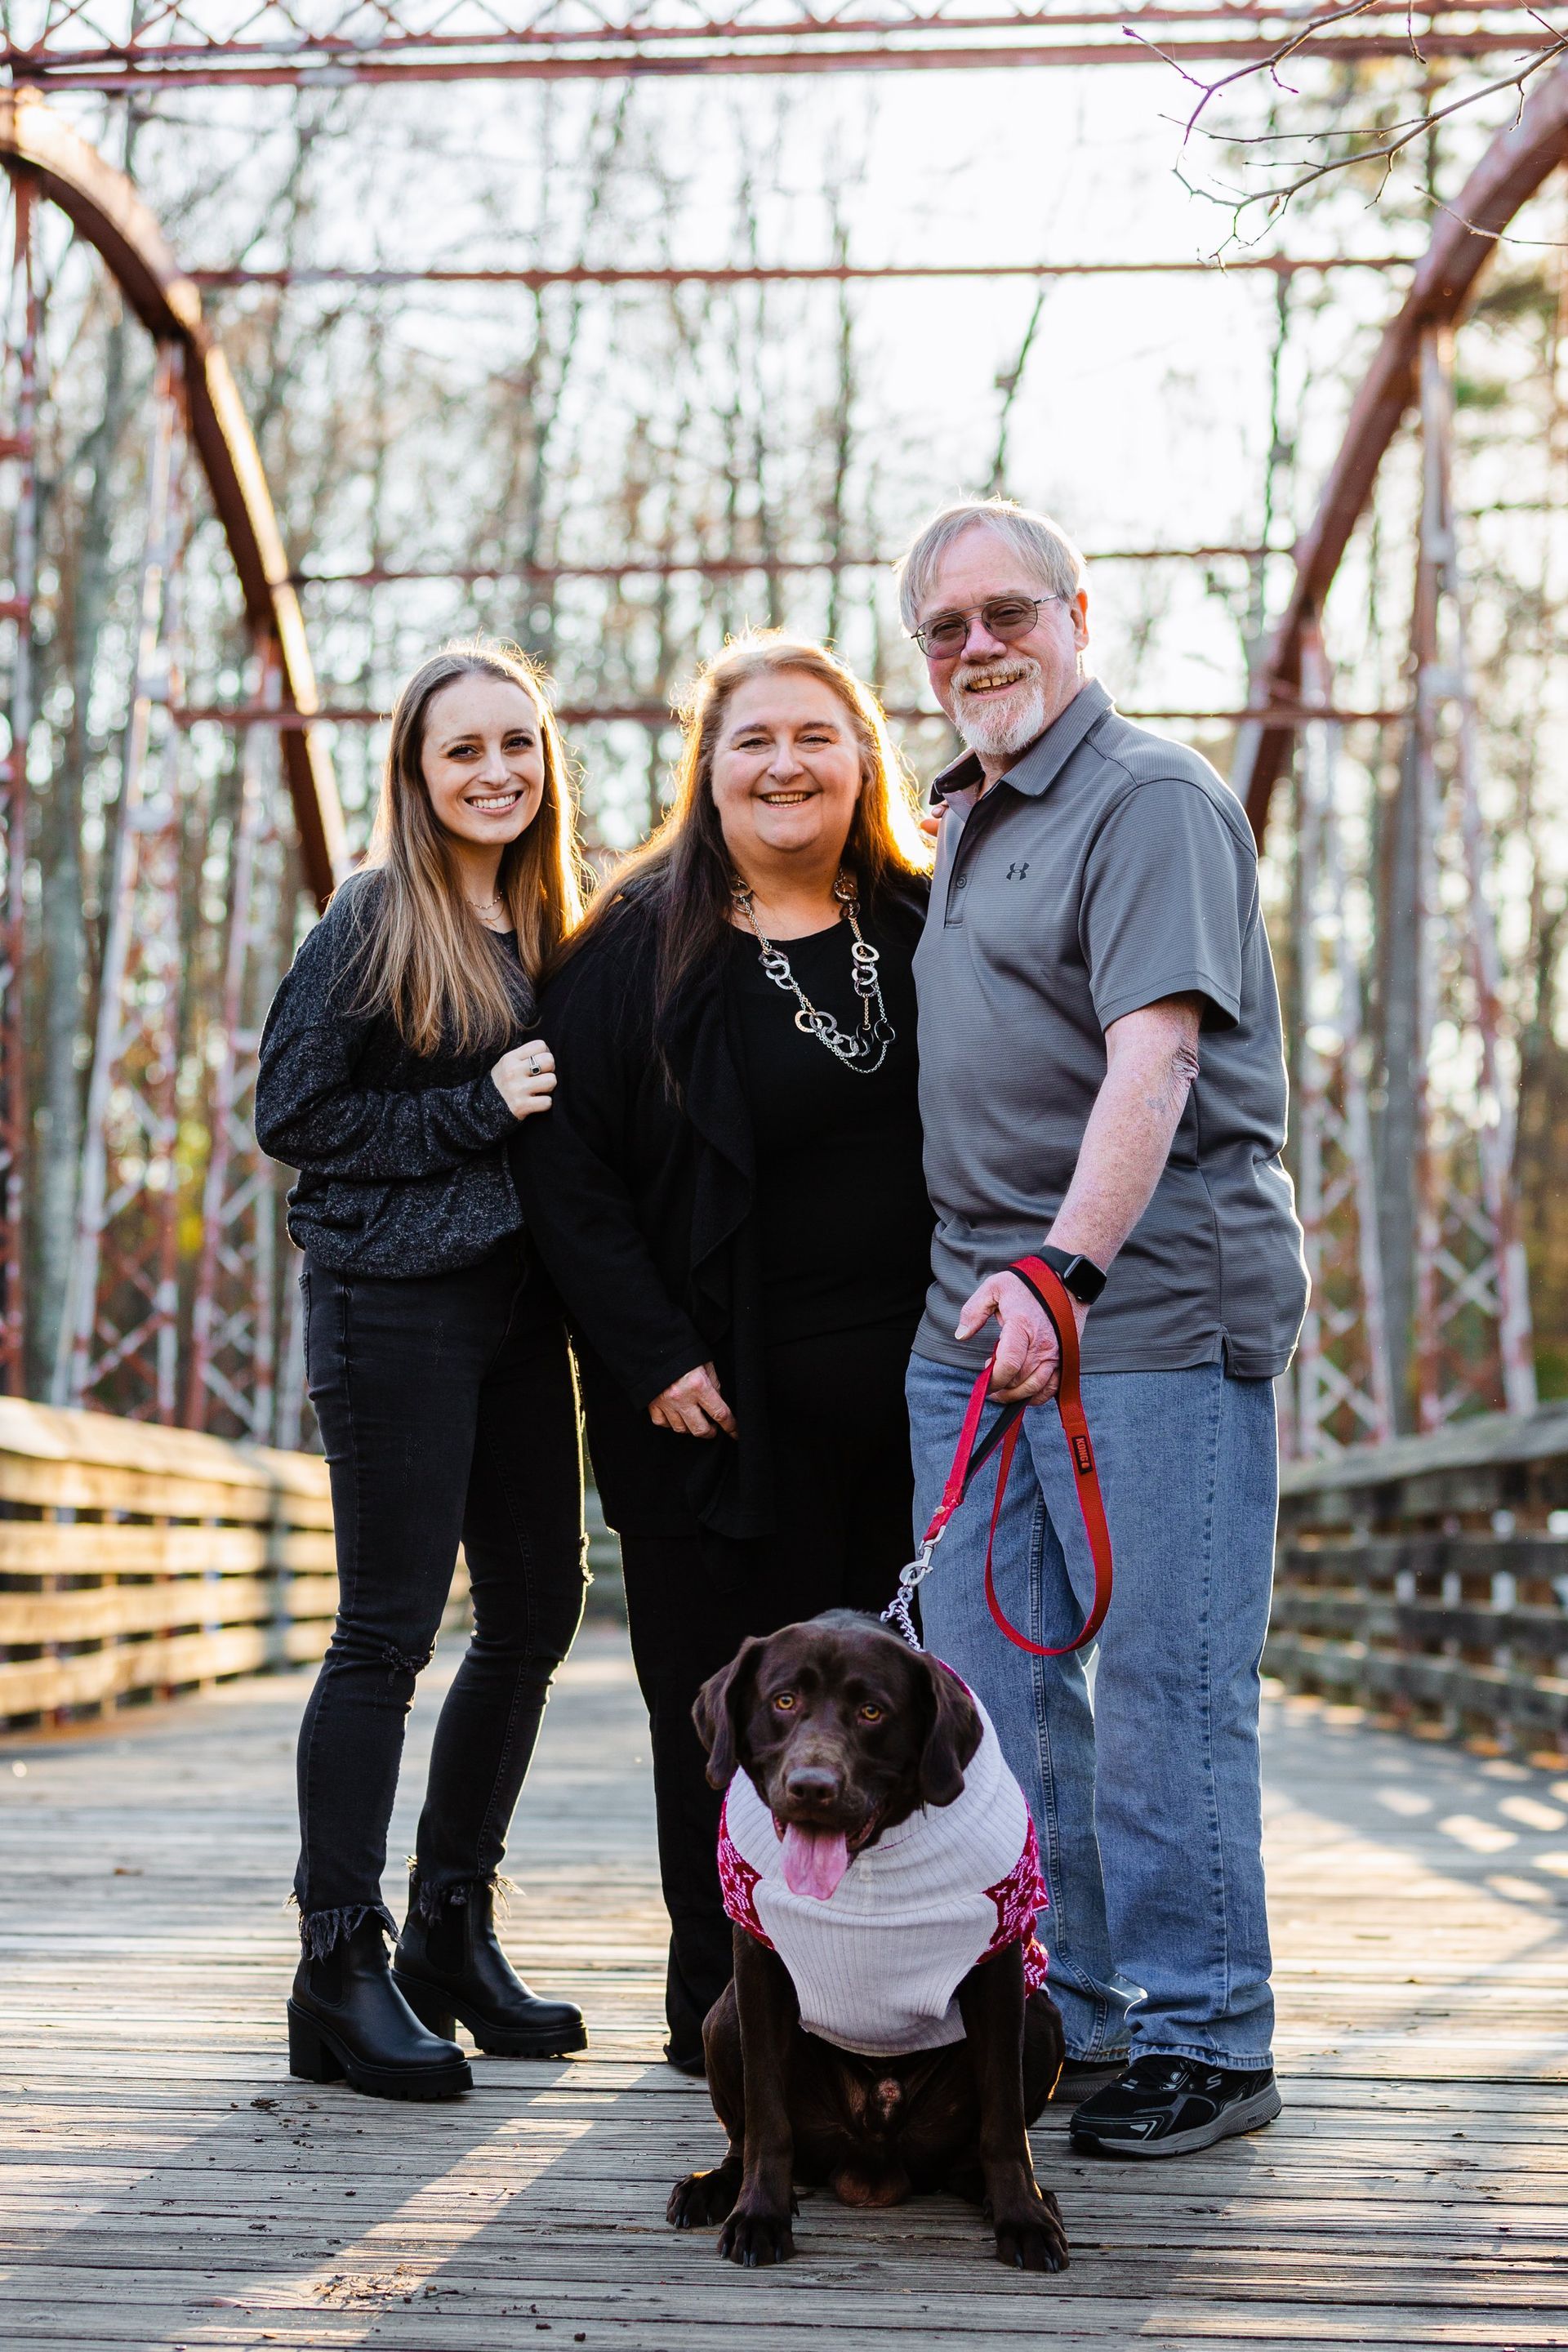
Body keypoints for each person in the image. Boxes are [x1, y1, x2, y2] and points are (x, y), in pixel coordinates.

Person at [898, 498, 1309, 2159]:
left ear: (1081, 614)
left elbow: (1158, 1064)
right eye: (945, 629)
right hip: (973, 1330)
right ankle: (1076, 2010)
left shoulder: (1147, 799)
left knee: (1161, 1692)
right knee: (996, 1706)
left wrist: (1063, 1271)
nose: (979, 646)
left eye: (1009, 613)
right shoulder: (972, 818)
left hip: (1136, 1316)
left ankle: (1212, 2039)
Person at [517, 635, 933, 2073]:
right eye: (753, 739)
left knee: (899, 1728)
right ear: (708, 767)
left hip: (914, 1420)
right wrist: (647, 1354)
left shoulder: (929, 926)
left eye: (817, 735)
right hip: (698, 1417)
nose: (785, 764)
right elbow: (562, 1170)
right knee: (719, 1728)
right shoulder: (638, 943)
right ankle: (729, 2020)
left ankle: (896, 2010)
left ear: (864, 758)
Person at [256, 641, 592, 2102]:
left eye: (518, 744)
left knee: (535, 1609)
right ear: (416, 770)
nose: (497, 771)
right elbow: (292, 1112)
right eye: (465, 750)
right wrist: (473, 1106)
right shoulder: (376, 917)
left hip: (525, 1316)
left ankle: (452, 1925)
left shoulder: (553, 925)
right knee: (387, 1631)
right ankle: (340, 1958)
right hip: (392, 1306)